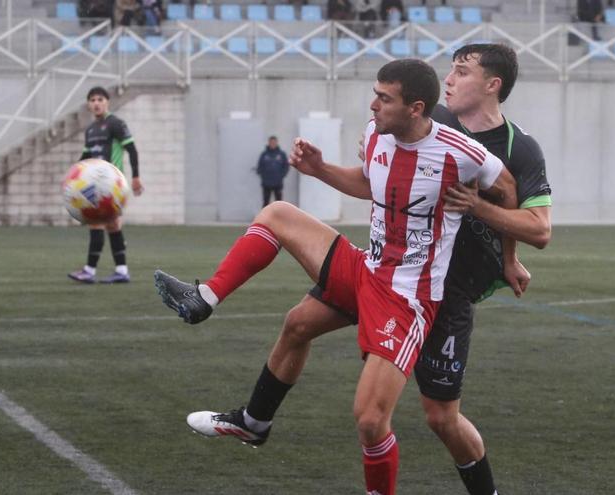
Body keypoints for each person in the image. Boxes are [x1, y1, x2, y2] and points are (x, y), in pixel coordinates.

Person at [180, 43, 553, 495]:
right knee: (295, 308)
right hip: (369, 268)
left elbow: (528, 216)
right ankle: (221, 341)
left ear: (491, 86)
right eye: (449, 71)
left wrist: (504, 252)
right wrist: (319, 169)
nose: (450, 79)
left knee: (432, 417)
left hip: (426, 295)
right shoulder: (391, 127)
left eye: (461, 71)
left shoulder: (494, 150)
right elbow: (373, 181)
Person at [68, 86, 144, 284]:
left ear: (107, 102)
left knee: (97, 222)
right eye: (92, 100)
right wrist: (73, 176)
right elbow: (85, 157)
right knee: (113, 224)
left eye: (100, 99)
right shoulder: (91, 129)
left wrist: (136, 177)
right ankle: (121, 270)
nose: (96, 103)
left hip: (112, 183)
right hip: (95, 183)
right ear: (88, 104)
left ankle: (89, 270)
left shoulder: (116, 123)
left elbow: (132, 149)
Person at [256, 136, 289, 207]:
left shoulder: (281, 154)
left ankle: (280, 217)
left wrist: (282, 175)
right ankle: (265, 218)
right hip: (266, 183)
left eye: (274, 142)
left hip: (278, 182)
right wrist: (262, 175)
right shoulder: (264, 154)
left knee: (279, 203)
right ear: (269, 143)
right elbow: (260, 166)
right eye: (271, 142)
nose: (273, 144)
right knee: (266, 202)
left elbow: (286, 166)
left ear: (277, 143)